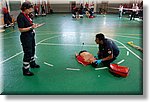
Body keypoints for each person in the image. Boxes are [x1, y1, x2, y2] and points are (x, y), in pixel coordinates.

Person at [17, 1, 40, 76]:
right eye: (29, 9)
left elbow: (30, 23)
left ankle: (32, 63)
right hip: (26, 37)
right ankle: (25, 70)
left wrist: (33, 25)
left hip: (31, 35)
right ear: (25, 8)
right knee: (28, 52)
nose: (31, 11)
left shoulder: (28, 15)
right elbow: (21, 29)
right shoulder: (20, 17)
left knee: (32, 49)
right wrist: (31, 27)